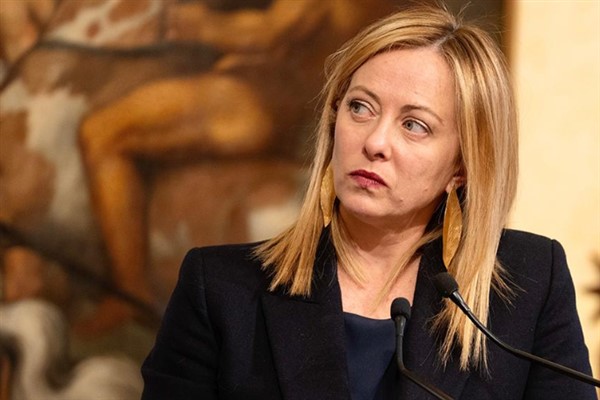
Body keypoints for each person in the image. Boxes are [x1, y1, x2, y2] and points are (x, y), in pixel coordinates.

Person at [141, 4, 596, 399]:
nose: (375, 142)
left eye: (414, 125)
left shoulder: (530, 285)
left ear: (462, 166)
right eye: (360, 107)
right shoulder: (221, 290)